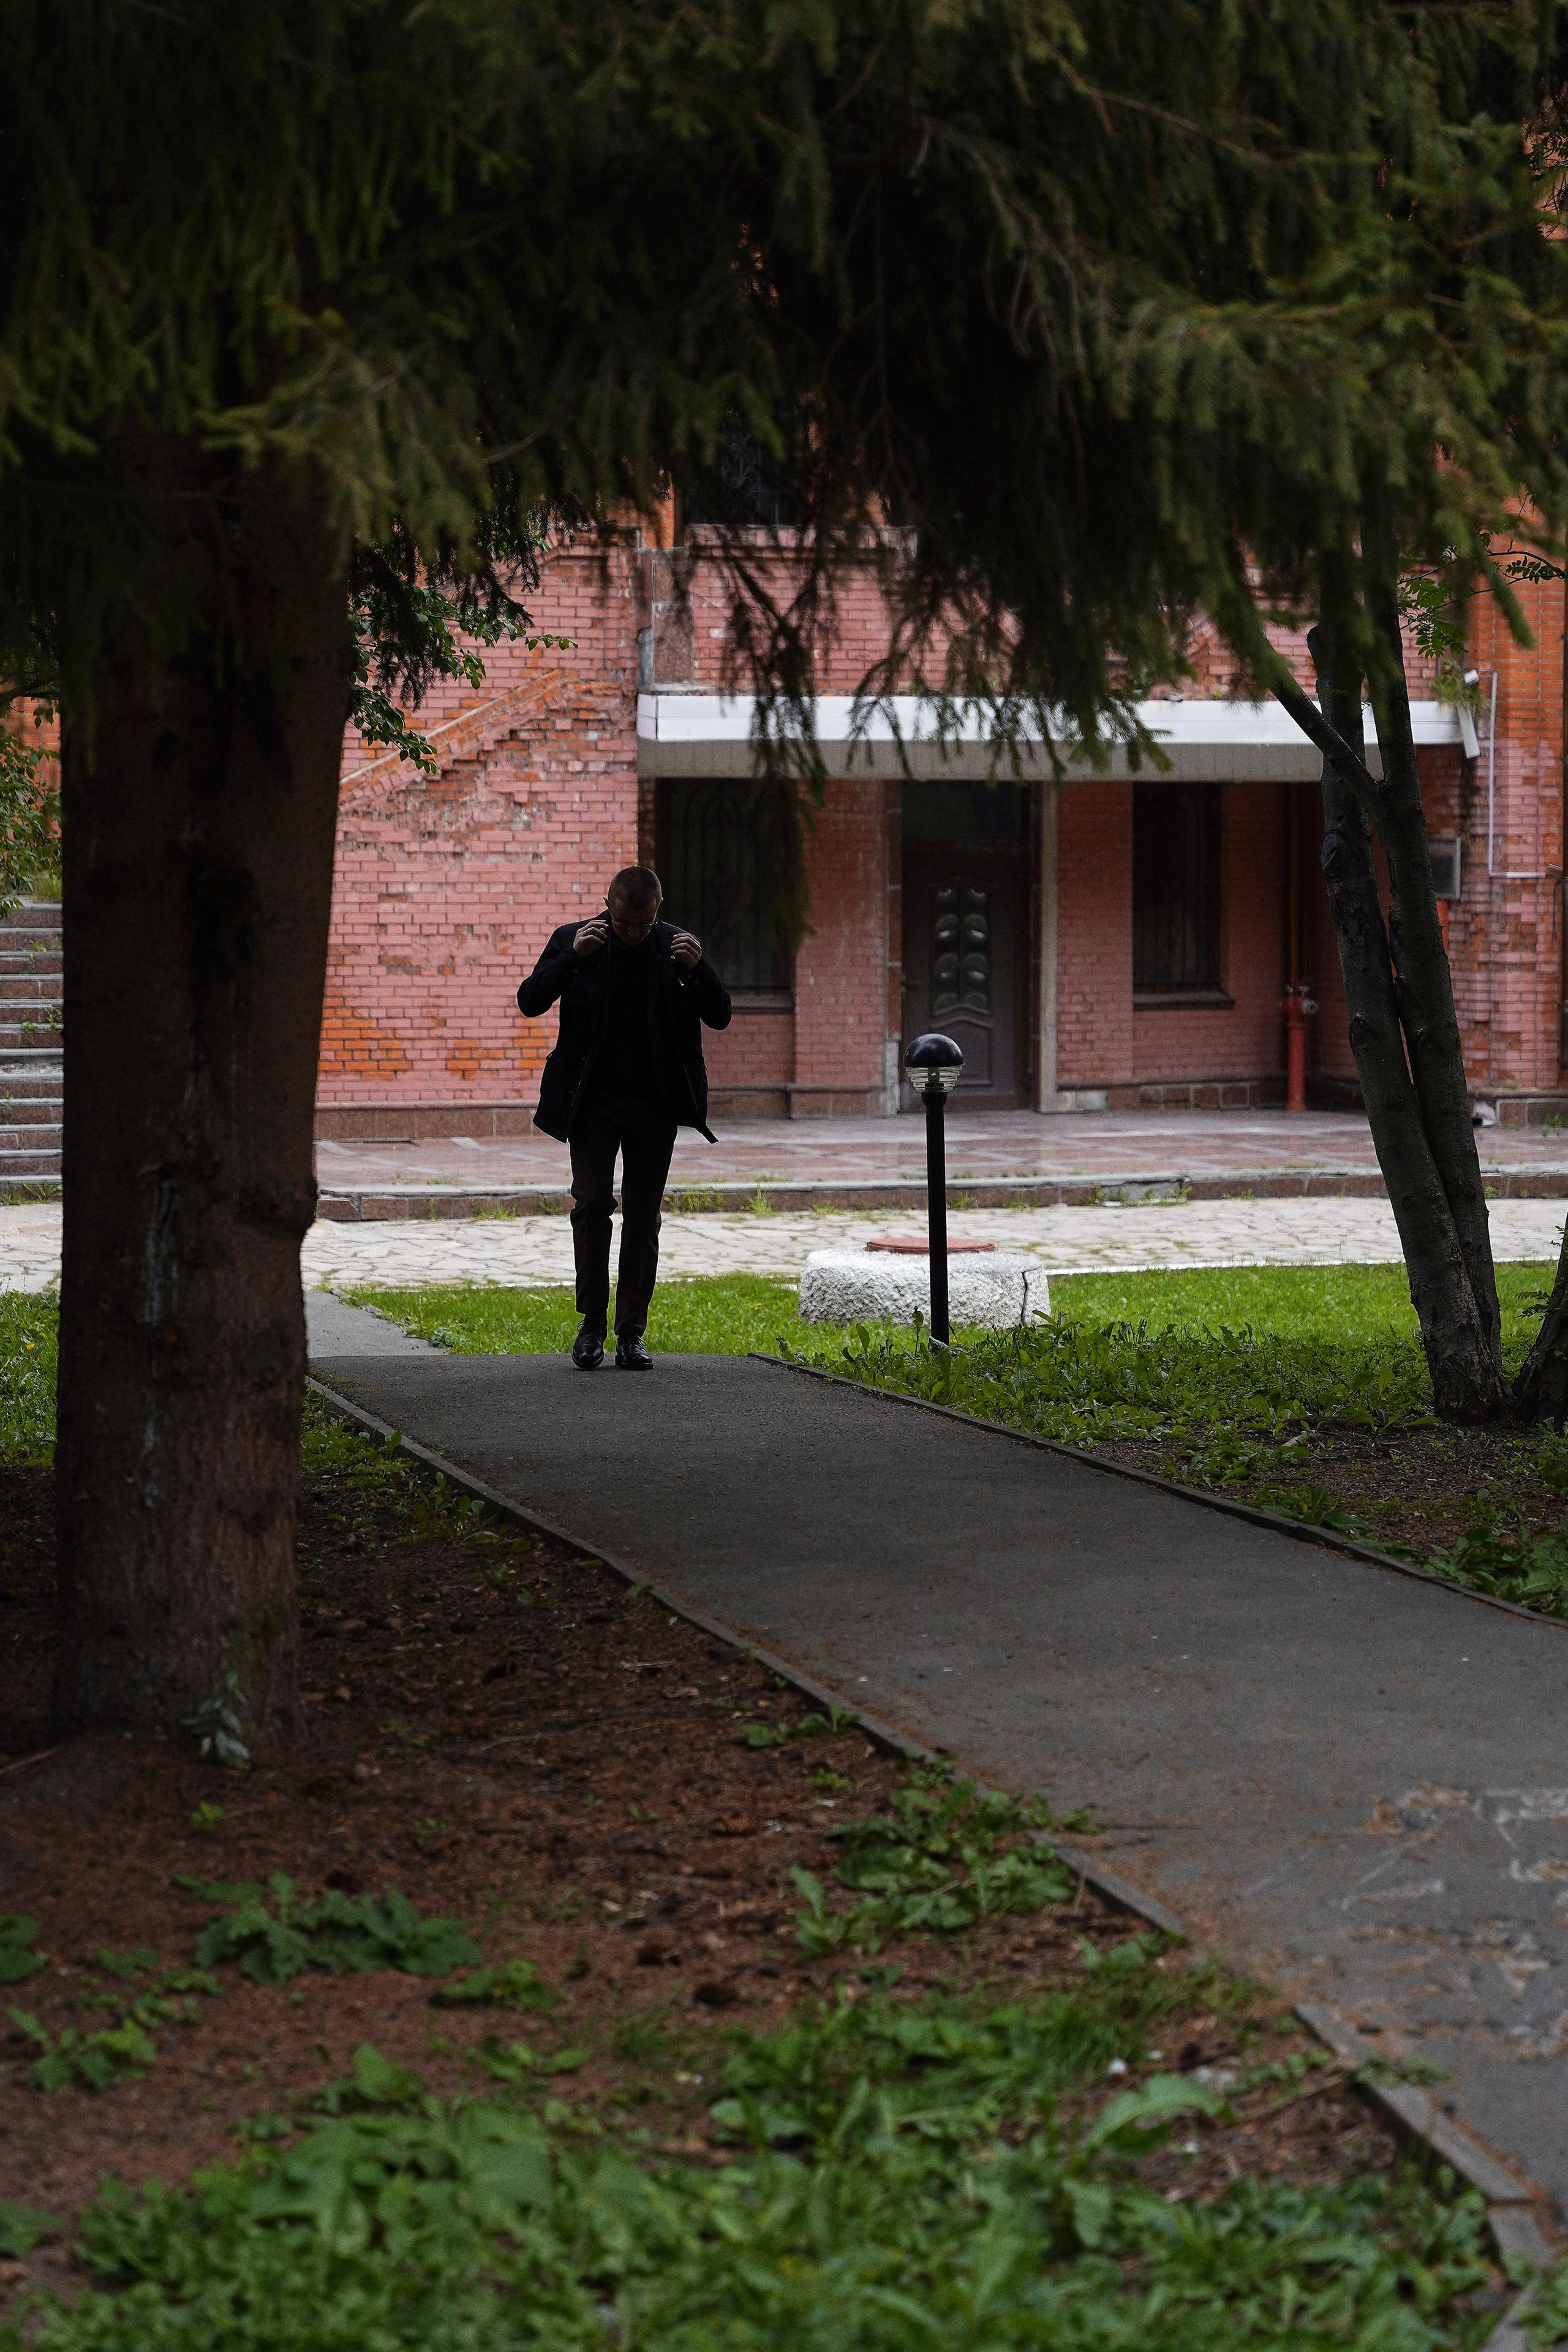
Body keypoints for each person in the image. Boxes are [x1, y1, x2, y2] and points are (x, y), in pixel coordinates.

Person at [516, 866, 731, 1370]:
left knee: (642, 1215)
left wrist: (701, 969)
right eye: (623, 923)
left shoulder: (677, 947)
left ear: (658, 910)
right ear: (608, 905)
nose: (632, 933)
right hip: (592, 1101)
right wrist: (571, 958)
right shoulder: (577, 940)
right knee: (592, 1203)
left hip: (655, 1104)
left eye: (643, 924)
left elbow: (720, 1015)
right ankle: (592, 1324)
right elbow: (530, 1001)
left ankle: (631, 1334)